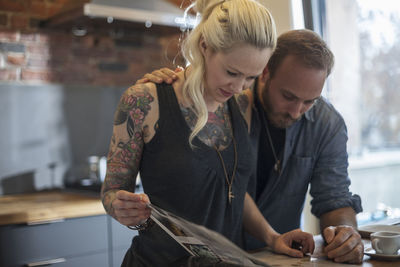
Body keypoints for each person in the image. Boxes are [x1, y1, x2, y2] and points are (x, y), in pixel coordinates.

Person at [101, 0, 314, 266]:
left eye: (250, 77)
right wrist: (122, 207)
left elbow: (231, 188)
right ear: (204, 46)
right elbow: (111, 192)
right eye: (232, 72)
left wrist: (272, 238)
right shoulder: (145, 101)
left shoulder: (242, 105)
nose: (238, 86)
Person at [139, 29, 364, 264]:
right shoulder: (223, 105)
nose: (297, 111)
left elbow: (335, 197)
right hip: (205, 258)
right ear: (265, 72)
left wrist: (346, 234)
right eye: (288, 96)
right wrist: (168, 90)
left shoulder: (327, 124)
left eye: (309, 102)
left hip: (279, 259)